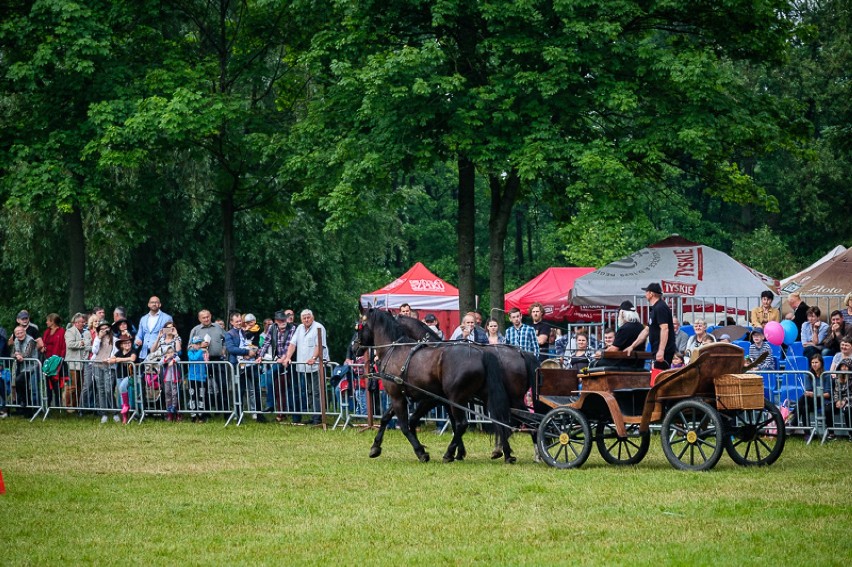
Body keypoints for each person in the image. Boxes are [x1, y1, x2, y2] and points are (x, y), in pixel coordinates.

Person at [282, 310, 329, 426]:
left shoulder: (319, 327)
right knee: (309, 391)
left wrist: (313, 357)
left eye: (308, 317)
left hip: (317, 365)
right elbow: (293, 344)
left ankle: (318, 417)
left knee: (317, 391)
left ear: (312, 317)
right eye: (304, 318)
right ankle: (314, 416)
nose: (306, 320)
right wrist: (288, 357)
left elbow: (319, 345)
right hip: (305, 366)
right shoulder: (299, 328)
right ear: (301, 319)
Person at [257, 310, 297, 421]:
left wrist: (284, 358)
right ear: (276, 321)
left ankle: (293, 414)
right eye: (280, 320)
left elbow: (290, 345)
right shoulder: (272, 328)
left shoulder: (292, 328)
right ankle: (271, 405)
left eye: (284, 319)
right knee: (270, 377)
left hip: (290, 360)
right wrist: (260, 355)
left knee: (292, 388)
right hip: (278, 360)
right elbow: (266, 343)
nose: (283, 321)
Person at [188, 309, 228, 413]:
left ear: (211, 316)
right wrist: (200, 346)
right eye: (204, 317)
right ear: (199, 319)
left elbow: (227, 339)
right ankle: (205, 412)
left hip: (217, 360)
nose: (206, 319)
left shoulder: (218, 327)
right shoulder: (195, 330)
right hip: (202, 362)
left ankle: (225, 411)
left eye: (208, 316)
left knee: (223, 385)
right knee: (203, 387)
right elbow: (189, 347)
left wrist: (224, 349)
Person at [629, 283, 675, 369]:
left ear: (651, 294)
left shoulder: (660, 308)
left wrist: (661, 350)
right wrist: (632, 346)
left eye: (646, 292)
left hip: (664, 350)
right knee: (657, 375)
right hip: (657, 349)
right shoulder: (655, 308)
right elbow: (646, 330)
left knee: (659, 377)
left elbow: (665, 329)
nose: (645, 294)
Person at [792, 354, 833, 429]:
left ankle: (794, 421)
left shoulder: (826, 375)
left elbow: (828, 394)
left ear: (821, 363)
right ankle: (807, 432)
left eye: (816, 362)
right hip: (810, 400)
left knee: (804, 400)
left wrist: (814, 394)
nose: (814, 365)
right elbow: (808, 390)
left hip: (823, 400)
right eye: (812, 362)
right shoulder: (808, 374)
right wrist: (810, 394)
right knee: (804, 406)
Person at [90, 322, 118, 424]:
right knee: (100, 390)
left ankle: (115, 412)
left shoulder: (114, 340)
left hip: (108, 366)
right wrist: (98, 338)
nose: (104, 330)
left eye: (106, 328)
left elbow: (115, 352)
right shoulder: (97, 339)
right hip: (97, 365)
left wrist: (110, 359)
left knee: (108, 389)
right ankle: (104, 414)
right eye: (102, 329)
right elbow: (94, 351)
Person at [38, 313, 66, 409]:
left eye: (48, 320)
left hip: (56, 360)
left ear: (52, 321)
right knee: (47, 383)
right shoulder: (47, 332)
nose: (46, 322)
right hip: (47, 360)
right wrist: (42, 348)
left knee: (56, 384)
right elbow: (43, 343)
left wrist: (61, 359)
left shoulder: (62, 331)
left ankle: (58, 406)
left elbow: (63, 346)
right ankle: (48, 405)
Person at [64, 313, 91, 410]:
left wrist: (85, 344)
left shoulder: (87, 332)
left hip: (84, 363)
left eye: (84, 322)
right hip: (73, 364)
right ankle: (68, 406)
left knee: (80, 387)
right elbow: (70, 344)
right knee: (72, 387)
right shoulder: (69, 332)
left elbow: (89, 345)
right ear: (76, 323)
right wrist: (82, 343)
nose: (84, 324)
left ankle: (77, 406)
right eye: (81, 322)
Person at [608, 302, 646, 370]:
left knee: (595, 363)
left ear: (622, 313)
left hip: (624, 364)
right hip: (639, 364)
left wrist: (601, 352)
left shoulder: (624, 328)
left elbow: (614, 349)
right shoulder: (641, 327)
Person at [108, 335, 137, 424]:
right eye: (125, 343)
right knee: (120, 394)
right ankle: (125, 417)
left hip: (130, 376)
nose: (127, 344)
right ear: (121, 345)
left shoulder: (133, 351)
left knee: (122, 387)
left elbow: (132, 358)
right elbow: (112, 359)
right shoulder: (119, 352)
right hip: (119, 375)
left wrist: (119, 359)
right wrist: (113, 359)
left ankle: (127, 406)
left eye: (129, 342)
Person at [12, 325, 38, 416]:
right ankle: (23, 409)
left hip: (31, 367)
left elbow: (28, 354)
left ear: (25, 332)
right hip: (20, 366)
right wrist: (16, 355)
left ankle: (26, 405)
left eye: (21, 332)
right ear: (15, 334)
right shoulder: (15, 340)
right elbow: (12, 354)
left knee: (20, 381)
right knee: (19, 385)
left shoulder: (31, 340)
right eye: (17, 333)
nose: (19, 334)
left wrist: (19, 355)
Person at [186, 336, 209, 423]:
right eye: (196, 344)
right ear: (192, 344)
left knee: (201, 396)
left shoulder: (203, 352)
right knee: (193, 397)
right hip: (192, 378)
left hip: (202, 378)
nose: (198, 345)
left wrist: (206, 354)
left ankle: (201, 415)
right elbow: (193, 358)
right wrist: (201, 350)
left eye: (199, 343)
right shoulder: (190, 352)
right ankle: (193, 415)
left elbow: (207, 361)